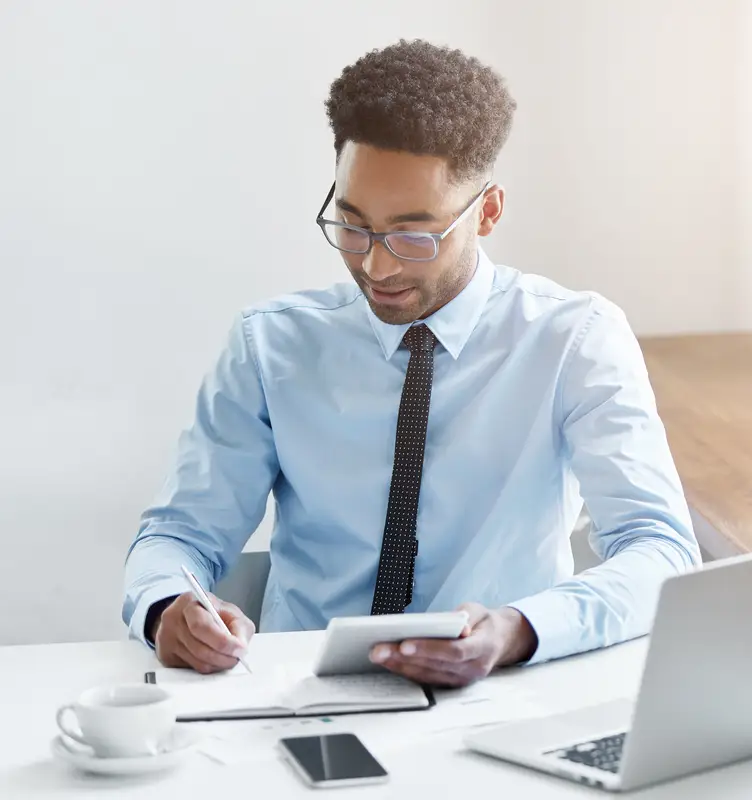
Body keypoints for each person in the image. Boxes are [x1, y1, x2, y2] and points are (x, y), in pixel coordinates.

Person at [121, 40, 699, 687]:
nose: (377, 265)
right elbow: (177, 534)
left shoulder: (575, 339)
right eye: (352, 225)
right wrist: (166, 605)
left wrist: (518, 630)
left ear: (487, 211)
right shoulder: (270, 345)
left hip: (502, 694)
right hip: (303, 696)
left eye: (413, 235)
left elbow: (660, 549)